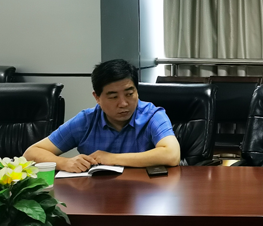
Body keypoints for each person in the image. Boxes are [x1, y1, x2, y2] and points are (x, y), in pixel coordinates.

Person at [24, 59, 180, 172]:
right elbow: (31, 153)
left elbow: (171, 154)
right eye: (113, 97)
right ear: (97, 97)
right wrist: (64, 163)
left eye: (129, 94)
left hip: (144, 195)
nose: (123, 103)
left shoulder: (152, 115)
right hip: (96, 196)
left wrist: (111, 158)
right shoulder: (86, 120)